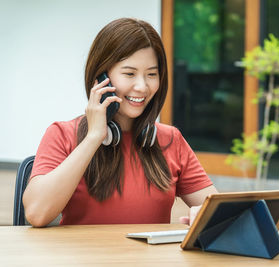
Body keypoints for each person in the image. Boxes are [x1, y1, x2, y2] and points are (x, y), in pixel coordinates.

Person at [23, 18, 218, 227]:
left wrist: (206, 216)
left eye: (151, 74)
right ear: (101, 77)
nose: (142, 87)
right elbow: (37, 213)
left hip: (149, 260)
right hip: (85, 259)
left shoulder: (170, 140)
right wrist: (94, 137)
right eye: (129, 74)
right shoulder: (61, 134)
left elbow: (221, 213)